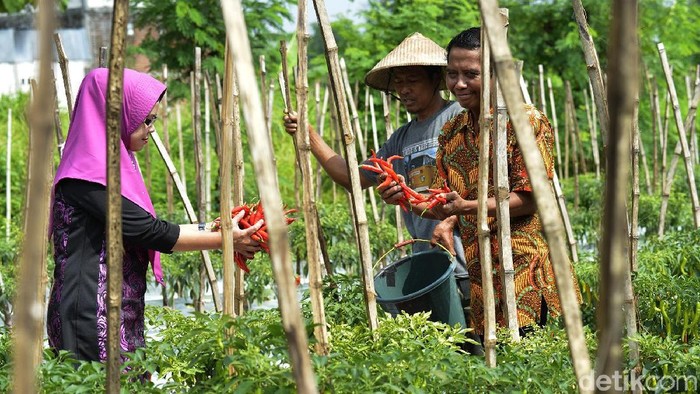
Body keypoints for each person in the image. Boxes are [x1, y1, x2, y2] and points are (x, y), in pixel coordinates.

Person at [46, 67, 263, 363]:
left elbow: (150, 227)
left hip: (115, 311)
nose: (151, 129)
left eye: (153, 120)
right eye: (145, 120)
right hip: (89, 318)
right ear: (114, 118)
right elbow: (150, 231)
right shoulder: (87, 179)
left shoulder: (108, 170)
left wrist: (215, 227)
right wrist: (225, 238)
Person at [418, 27, 581, 337]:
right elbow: (441, 200)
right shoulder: (452, 132)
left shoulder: (525, 121)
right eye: (452, 74)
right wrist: (406, 198)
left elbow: (533, 197)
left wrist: (467, 207)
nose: (459, 84)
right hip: (483, 285)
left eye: (471, 74)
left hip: (527, 280)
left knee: (536, 375)